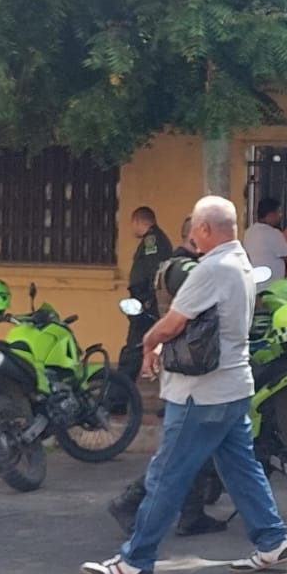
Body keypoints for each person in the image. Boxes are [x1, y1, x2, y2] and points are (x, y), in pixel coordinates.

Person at [82, 195, 287, 574]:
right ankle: (272, 541)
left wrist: (147, 343)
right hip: (232, 387)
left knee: (167, 474)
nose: (194, 234)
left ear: (206, 229)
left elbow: (174, 322)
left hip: (200, 393)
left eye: (196, 227)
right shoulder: (242, 263)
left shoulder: (210, 269)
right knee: (240, 468)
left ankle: (135, 559)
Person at [107, 220, 227, 538]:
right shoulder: (186, 270)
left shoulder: (181, 265)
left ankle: (191, 513)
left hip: (192, 364)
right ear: (197, 235)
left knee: (198, 448)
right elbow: (193, 317)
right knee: (179, 452)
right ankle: (129, 503)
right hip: (190, 368)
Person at [119, 207, 171, 391]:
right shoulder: (154, 239)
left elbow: (154, 271)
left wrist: (148, 300)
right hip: (147, 303)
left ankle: (117, 397)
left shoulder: (152, 240)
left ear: (138, 222)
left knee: (133, 349)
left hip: (147, 305)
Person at [243, 197, 287, 283]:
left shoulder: (249, 231)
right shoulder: (273, 233)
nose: (280, 216)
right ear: (271, 214)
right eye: (279, 212)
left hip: (254, 281)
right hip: (271, 284)